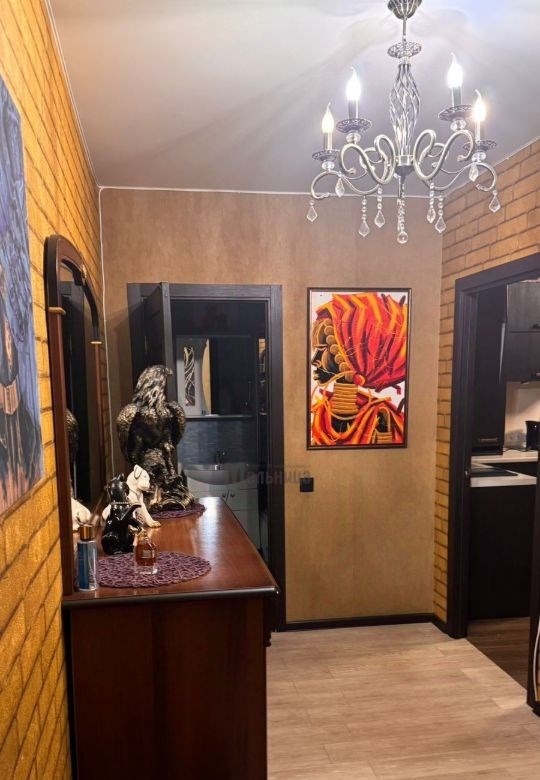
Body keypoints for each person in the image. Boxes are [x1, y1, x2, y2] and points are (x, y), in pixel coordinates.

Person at [310, 291, 408, 446]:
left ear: (353, 358)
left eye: (322, 349)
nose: (313, 361)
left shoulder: (381, 419)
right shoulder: (321, 412)